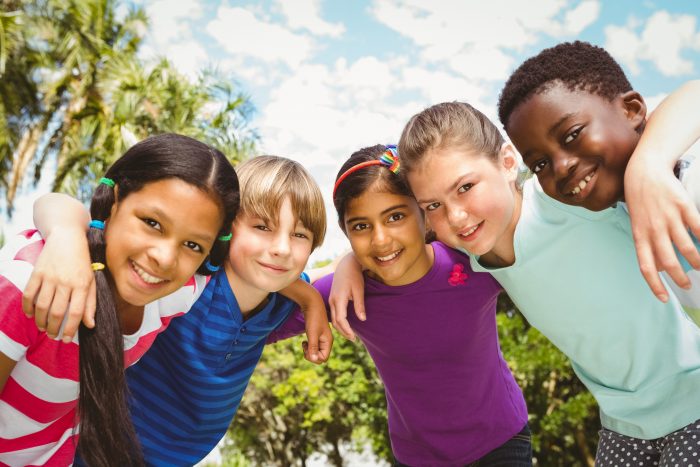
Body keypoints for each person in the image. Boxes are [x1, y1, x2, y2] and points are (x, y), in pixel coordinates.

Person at [332, 100, 700, 465]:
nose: (457, 217)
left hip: (692, 400)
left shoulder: (561, 197)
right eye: (433, 206)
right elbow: (398, 248)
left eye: (465, 187)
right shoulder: (471, 255)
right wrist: (350, 259)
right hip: (625, 427)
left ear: (508, 162)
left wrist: (648, 162)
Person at [27, 155, 333, 465]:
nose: (281, 248)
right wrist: (64, 236)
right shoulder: (182, 281)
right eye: (261, 226)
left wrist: (310, 297)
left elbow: (337, 272)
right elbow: (53, 204)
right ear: (223, 227)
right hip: (94, 453)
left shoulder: (280, 300)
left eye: (299, 235)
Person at [269, 145, 531, 466]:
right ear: (346, 232)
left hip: (501, 441)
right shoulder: (345, 293)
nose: (380, 240)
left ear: (423, 213)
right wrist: (318, 286)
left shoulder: (471, 260)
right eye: (361, 226)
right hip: (418, 457)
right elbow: (251, 318)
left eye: (395, 216)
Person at [0, 133, 239, 466]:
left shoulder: (178, 291)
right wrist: (65, 232)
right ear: (113, 202)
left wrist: (323, 287)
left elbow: (266, 267)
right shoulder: (33, 285)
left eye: (193, 245)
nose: (165, 258)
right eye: (152, 223)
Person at [497, 41, 700, 310]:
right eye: (540, 164)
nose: (561, 167)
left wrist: (648, 163)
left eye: (572, 134)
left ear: (631, 111)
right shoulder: (605, 223)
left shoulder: (691, 182)